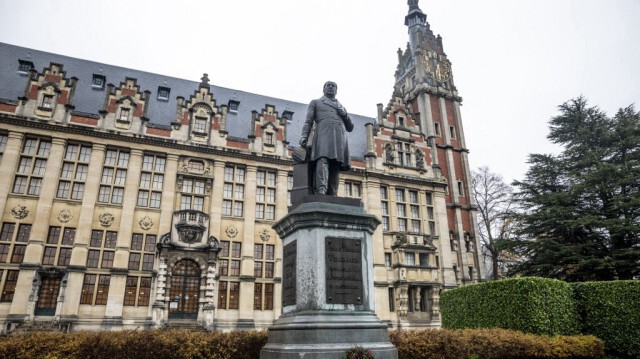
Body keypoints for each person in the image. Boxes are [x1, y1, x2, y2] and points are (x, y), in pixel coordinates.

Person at [299, 81, 354, 195]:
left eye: (333, 86)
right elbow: (308, 121)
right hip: (323, 133)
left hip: (339, 136)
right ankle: (321, 189)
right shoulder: (316, 102)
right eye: (328, 85)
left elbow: (350, 127)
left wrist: (344, 114)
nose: (330, 87)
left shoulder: (341, 107)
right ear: (323, 89)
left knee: (336, 163)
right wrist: (304, 135)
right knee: (322, 159)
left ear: (336, 91)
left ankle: (333, 192)